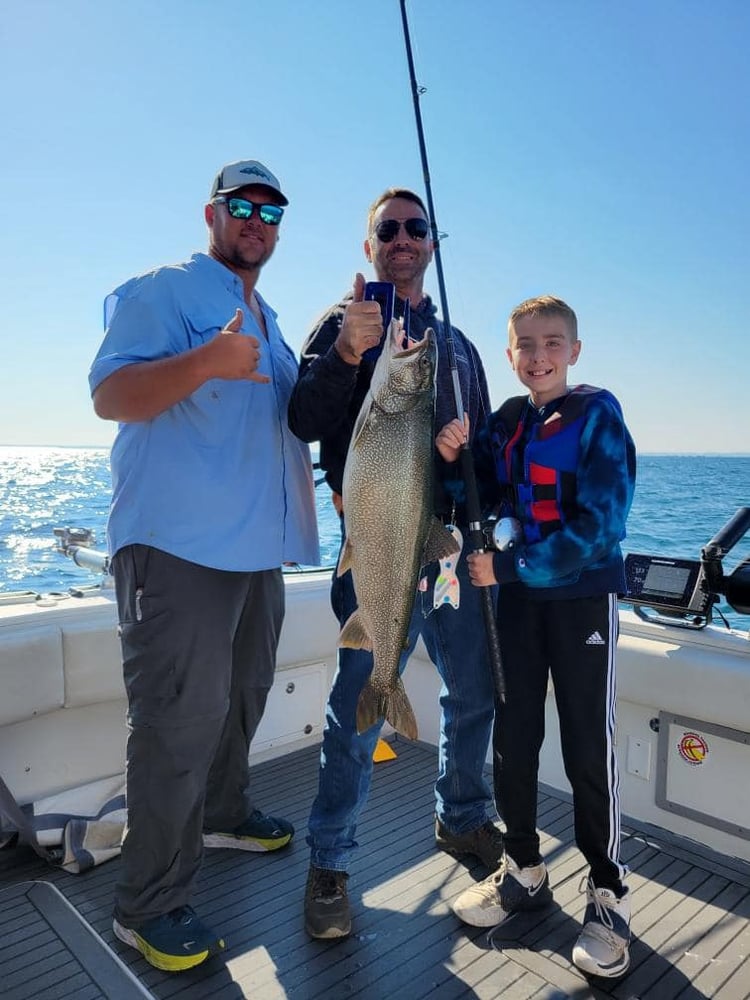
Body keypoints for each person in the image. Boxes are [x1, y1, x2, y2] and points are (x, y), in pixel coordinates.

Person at [88, 159, 319, 972]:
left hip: (257, 554)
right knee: (178, 721)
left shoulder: (272, 314)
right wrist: (203, 364)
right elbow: (111, 396)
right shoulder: (168, 288)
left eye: (271, 209)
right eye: (241, 205)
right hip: (179, 548)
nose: (257, 219)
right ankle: (146, 905)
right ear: (213, 213)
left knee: (242, 697)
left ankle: (224, 813)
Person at [288, 187, 502, 941]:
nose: (403, 238)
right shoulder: (343, 325)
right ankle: (330, 865)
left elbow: (486, 461)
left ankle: (464, 818)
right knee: (354, 710)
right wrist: (349, 350)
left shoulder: (463, 349)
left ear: (432, 244)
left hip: (446, 550)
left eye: (416, 228)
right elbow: (304, 420)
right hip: (374, 545)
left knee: (475, 692)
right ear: (369, 245)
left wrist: (463, 456)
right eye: (389, 229)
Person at [436, 295, 636, 979]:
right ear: (510, 354)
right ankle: (523, 868)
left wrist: (511, 564)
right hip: (514, 607)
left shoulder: (598, 414)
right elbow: (474, 492)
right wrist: (451, 456)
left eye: (553, 342)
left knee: (587, 745)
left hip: (579, 604)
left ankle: (606, 894)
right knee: (512, 739)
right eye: (526, 344)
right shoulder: (508, 420)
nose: (539, 354)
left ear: (573, 351)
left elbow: (602, 526)